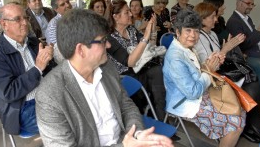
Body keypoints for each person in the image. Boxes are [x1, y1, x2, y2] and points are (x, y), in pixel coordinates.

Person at [35, 9, 173, 147]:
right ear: (81, 50)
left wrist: (137, 133)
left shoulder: (107, 68)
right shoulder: (49, 95)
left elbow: (126, 105)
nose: (108, 45)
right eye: (103, 41)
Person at [163, 9, 245, 147]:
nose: (193, 35)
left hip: (197, 94)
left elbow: (195, 72)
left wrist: (209, 64)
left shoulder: (186, 48)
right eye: (188, 30)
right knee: (235, 123)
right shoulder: (175, 57)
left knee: (239, 109)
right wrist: (208, 71)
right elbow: (193, 92)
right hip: (183, 102)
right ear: (177, 32)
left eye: (196, 31)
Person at [194, 2, 260, 143]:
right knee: (251, 85)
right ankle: (252, 126)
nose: (216, 19)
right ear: (202, 19)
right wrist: (225, 49)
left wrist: (227, 48)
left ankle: (252, 124)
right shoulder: (198, 38)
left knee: (252, 78)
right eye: (213, 17)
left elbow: (220, 58)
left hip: (221, 72)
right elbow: (209, 67)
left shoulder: (212, 34)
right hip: (212, 78)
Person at [0, 3, 56, 135]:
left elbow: (49, 73)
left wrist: (49, 60)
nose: (24, 22)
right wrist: (37, 68)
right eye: (18, 19)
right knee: (67, 117)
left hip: (47, 98)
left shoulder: (33, 42)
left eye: (26, 17)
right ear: (4, 24)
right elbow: (9, 93)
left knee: (79, 102)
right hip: (21, 110)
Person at [106, 0, 166, 121]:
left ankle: (160, 118)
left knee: (157, 71)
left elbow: (149, 47)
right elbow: (130, 62)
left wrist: (152, 30)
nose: (130, 14)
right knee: (153, 79)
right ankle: (150, 116)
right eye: (126, 12)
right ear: (116, 17)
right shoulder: (110, 38)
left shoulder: (131, 30)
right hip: (124, 76)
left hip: (140, 70)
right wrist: (145, 36)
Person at [226, 0, 260, 100]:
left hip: (258, 48)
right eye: (248, 3)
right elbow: (244, 45)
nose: (251, 7)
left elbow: (253, 37)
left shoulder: (247, 18)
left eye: (252, 4)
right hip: (251, 52)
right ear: (239, 3)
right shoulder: (234, 21)